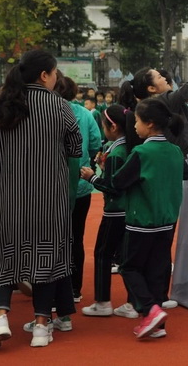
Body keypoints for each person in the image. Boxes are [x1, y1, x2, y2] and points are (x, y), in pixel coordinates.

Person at [0, 49, 83, 348]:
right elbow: (76, 148)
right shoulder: (60, 106)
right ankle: (40, 325)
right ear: (44, 75)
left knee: (3, 255)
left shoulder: (1, 105)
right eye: (54, 72)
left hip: (8, 198)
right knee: (47, 258)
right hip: (50, 198)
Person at [80, 97, 188, 339]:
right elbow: (186, 173)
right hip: (167, 221)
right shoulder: (174, 150)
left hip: (142, 221)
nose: (135, 126)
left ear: (150, 124)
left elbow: (116, 184)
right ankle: (156, 321)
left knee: (129, 267)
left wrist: (92, 177)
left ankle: (150, 310)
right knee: (156, 270)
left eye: (138, 121)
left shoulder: (142, 152)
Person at [80, 104, 135, 319]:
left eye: (103, 125)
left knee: (102, 254)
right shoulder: (127, 147)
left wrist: (91, 177)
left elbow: (113, 186)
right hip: (128, 210)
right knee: (127, 257)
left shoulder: (116, 153)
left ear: (112, 127)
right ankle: (133, 302)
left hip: (114, 211)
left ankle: (102, 301)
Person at [52, 75, 102, 306]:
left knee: (51, 239)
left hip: (50, 186)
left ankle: (51, 289)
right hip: (80, 184)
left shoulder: (45, 113)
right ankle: (74, 288)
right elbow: (95, 143)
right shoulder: (84, 114)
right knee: (76, 238)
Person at [128, 33, 188, 157]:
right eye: (159, 77)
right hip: (180, 156)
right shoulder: (165, 101)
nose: (164, 78)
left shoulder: (148, 106)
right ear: (151, 88)